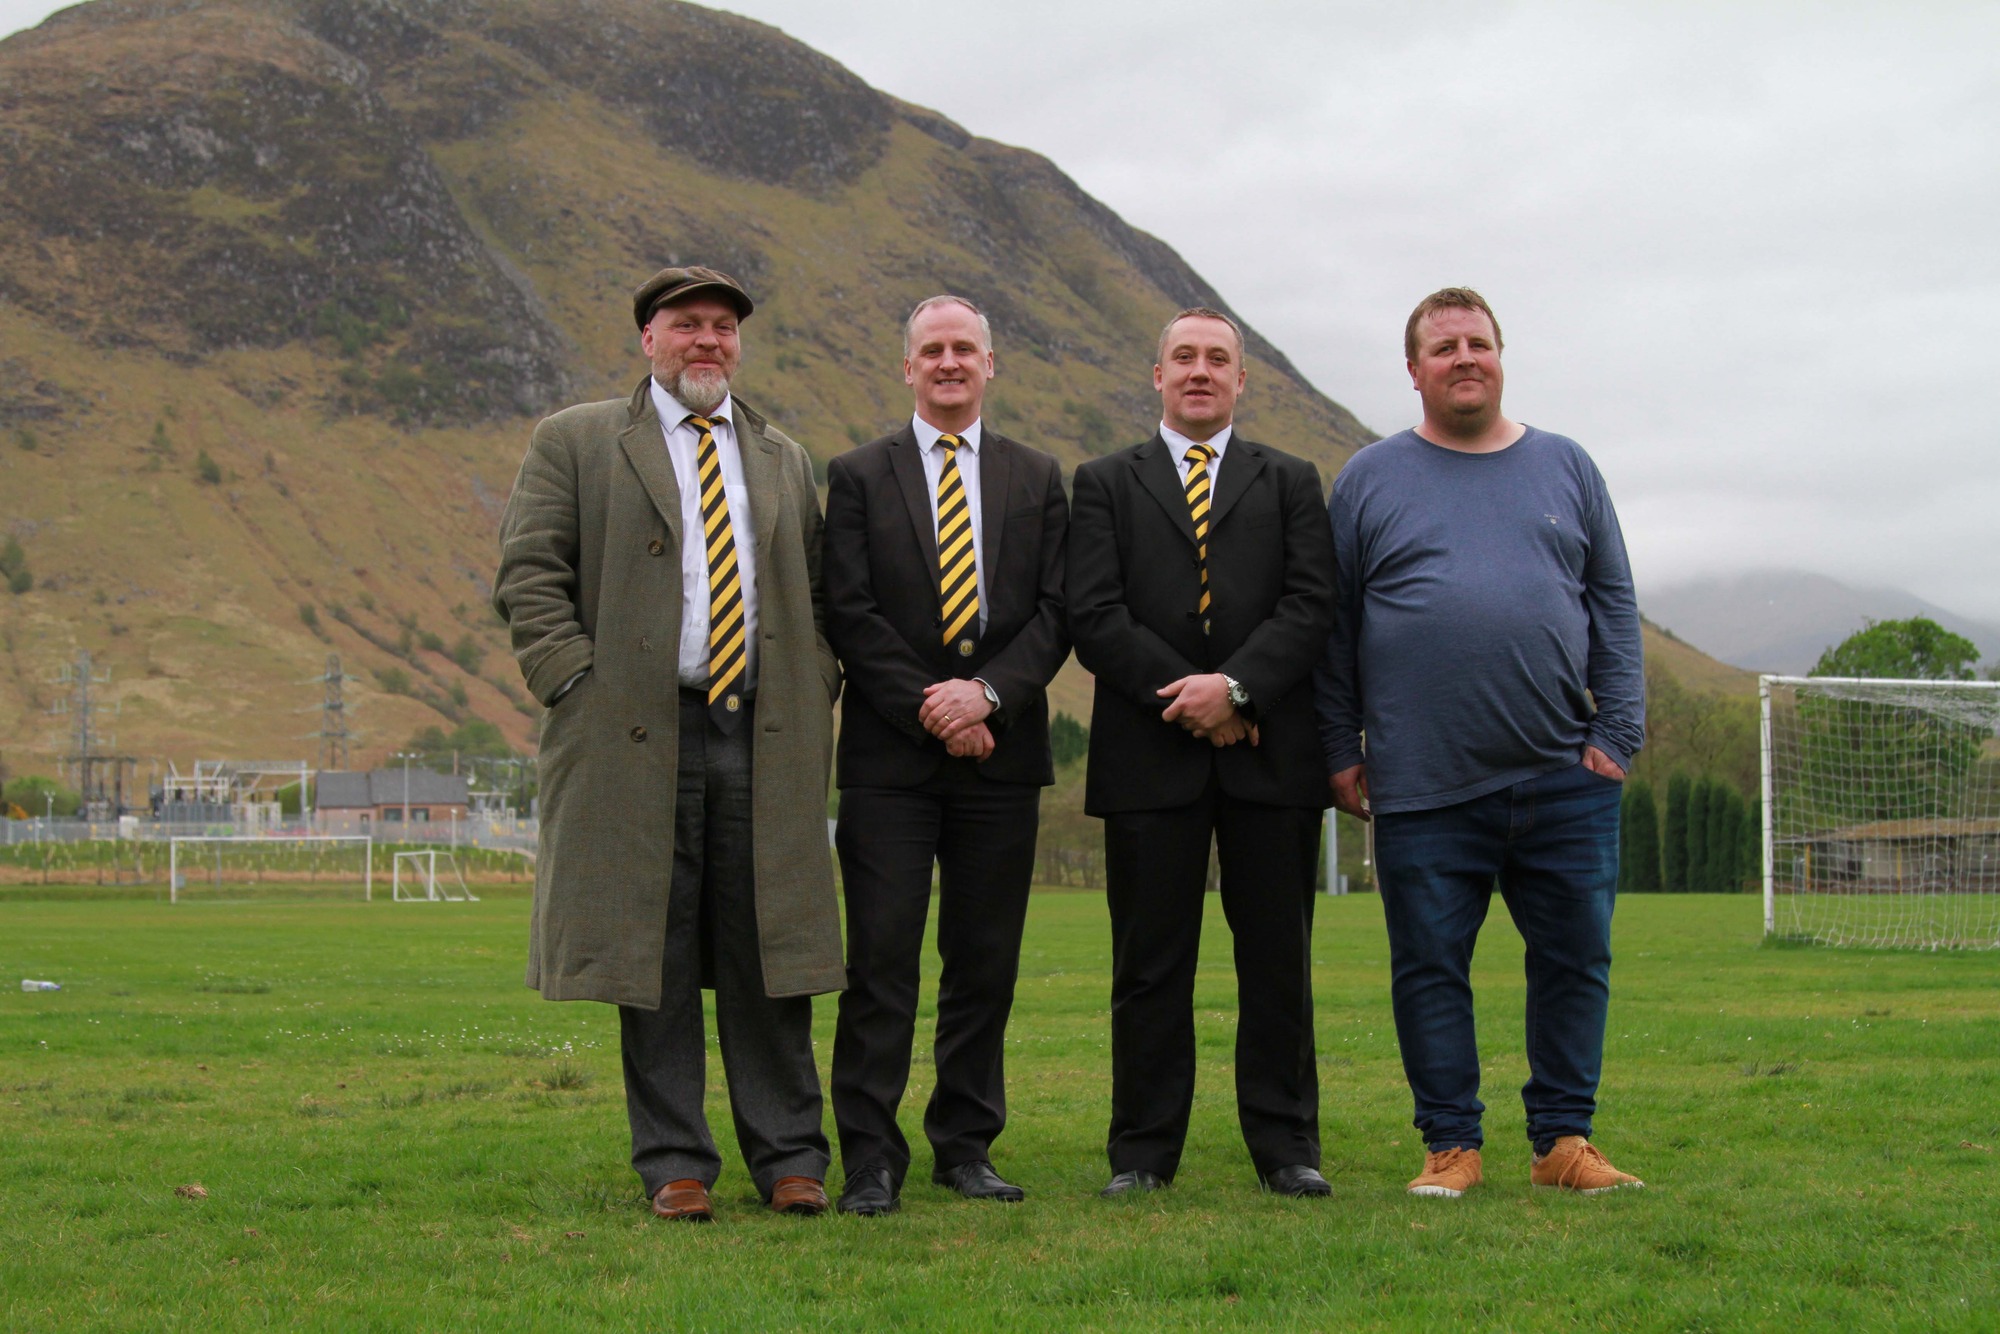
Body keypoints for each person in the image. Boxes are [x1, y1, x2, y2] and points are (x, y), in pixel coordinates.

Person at [493, 265, 844, 1223]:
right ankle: (675, 1164)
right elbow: (528, 576)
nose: (708, 341)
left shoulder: (783, 457)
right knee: (649, 952)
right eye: (687, 324)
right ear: (648, 339)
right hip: (632, 738)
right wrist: (577, 681)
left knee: (768, 947)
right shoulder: (576, 440)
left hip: (761, 738)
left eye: (724, 327)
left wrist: (814, 688)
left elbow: (815, 598)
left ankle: (791, 1157)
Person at [1315, 287, 1647, 1199]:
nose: (1465, 357)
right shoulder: (1370, 478)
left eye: (1479, 343)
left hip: (1563, 773)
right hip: (1422, 782)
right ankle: (1450, 1145)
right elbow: (1334, 630)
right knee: (1429, 968)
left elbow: (1612, 604)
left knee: (1576, 960)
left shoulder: (1567, 466)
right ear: (1414, 370)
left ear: (1501, 357)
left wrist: (1618, 731)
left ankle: (1564, 1144)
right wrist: (1340, 746)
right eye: (1444, 346)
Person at [1067, 307, 1337, 1199]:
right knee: (1149, 967)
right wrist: (1193, 699)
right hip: (1151, 759)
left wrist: (1238, 689)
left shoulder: (1292, 481)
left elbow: (1309, 606)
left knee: (1276, 962)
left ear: (1241, 381)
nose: (1199, 372)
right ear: (1156, 376)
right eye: (1183, 357)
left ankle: (1287, 1148)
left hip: (1270, 759)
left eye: (1217, 360)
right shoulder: (1104, 482)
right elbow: (1096, 616)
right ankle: (1142, 1154)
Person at [821, 295, 1070, 1216]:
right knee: (880, 963)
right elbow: (848, 610)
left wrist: (988, 695)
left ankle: (965, 1147)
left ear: (991, 364)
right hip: (891, 764)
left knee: (983, 964)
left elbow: (1058, 613)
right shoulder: (855, 476)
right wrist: (935, 707)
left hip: (1002, 762)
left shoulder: (1038, 477)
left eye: (966, 348)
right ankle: (870, 1160)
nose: (950, 362)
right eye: (933, 349)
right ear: (908, 368)